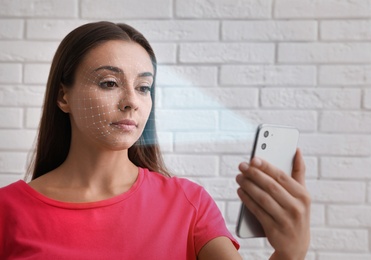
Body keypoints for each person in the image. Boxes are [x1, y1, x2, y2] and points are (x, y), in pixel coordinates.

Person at [0, 21, 310, 259]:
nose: (131, 101)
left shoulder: (189, 204)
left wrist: (289, 253)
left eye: (144, 88)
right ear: (63, 96)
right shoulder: (7, 210)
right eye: (109, 83)